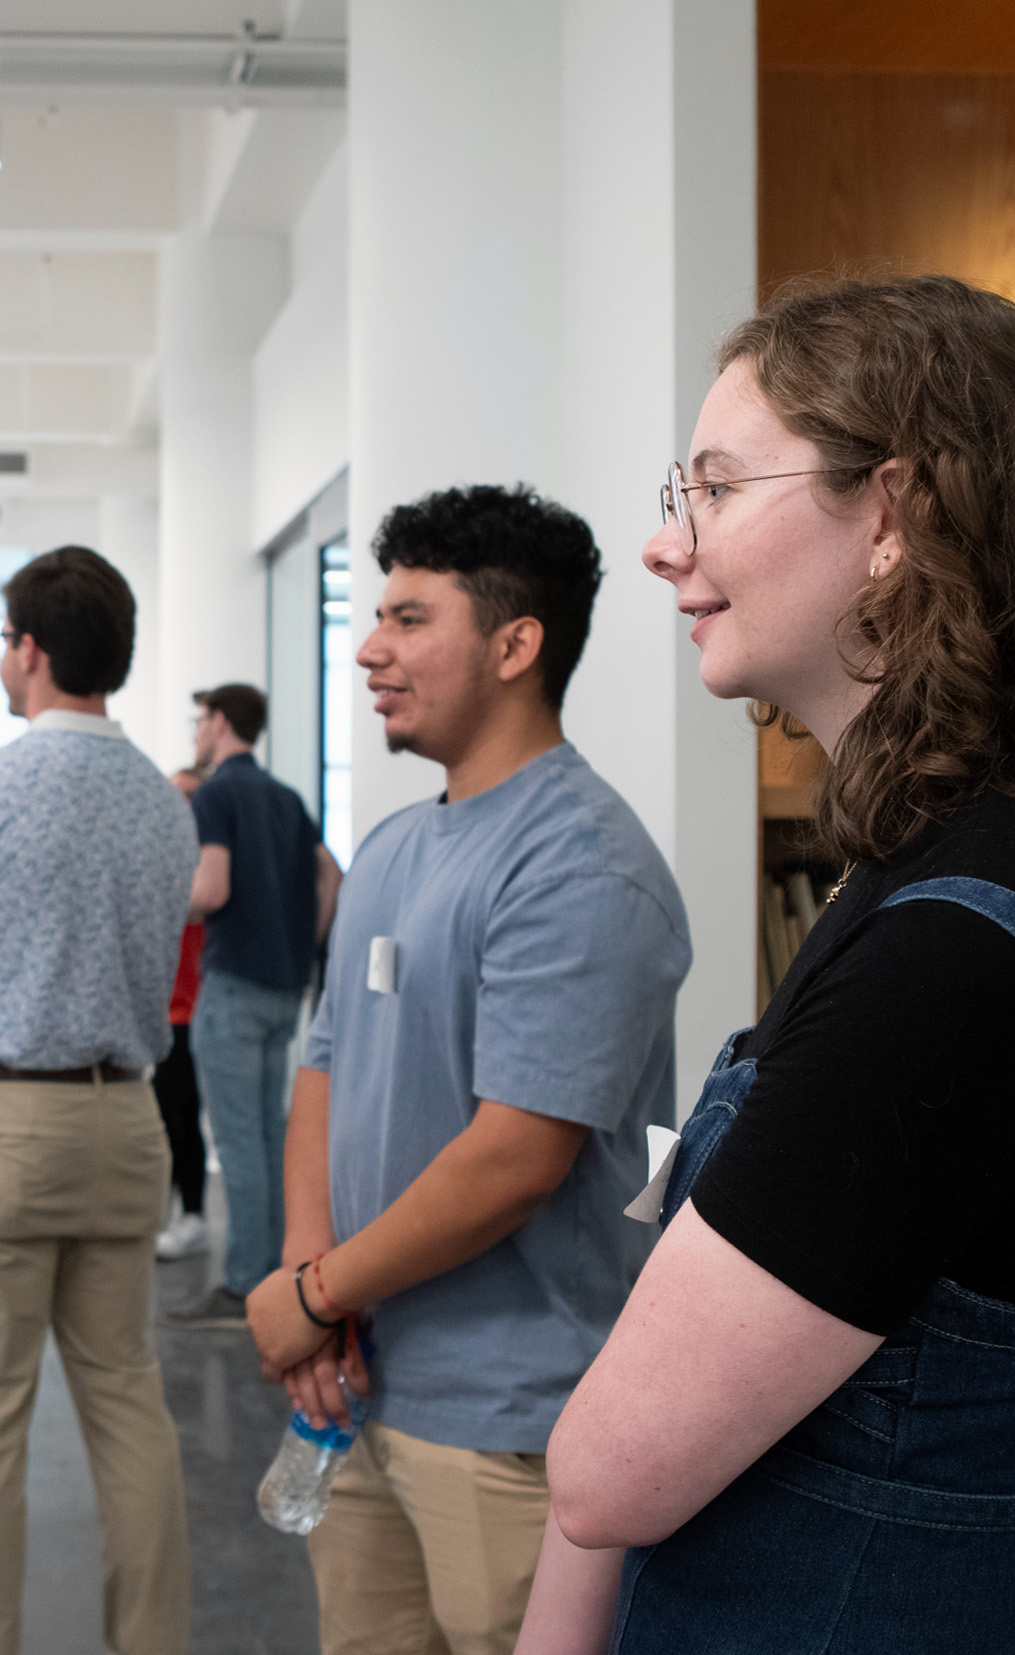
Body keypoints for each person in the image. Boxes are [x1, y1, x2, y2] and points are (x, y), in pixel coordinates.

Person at [523, 276, 1015, 1655]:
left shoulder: (955, 951)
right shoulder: (993, 859)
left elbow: (608, 1467)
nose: (661, 544)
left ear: (890, 514)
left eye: (711, 486)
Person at [246, 485, 691, 1655]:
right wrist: (310, 1285)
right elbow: (324, 1070)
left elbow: (512, 1159)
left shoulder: (581, 864)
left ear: (513, 643)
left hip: (508, 1418)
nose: (368, 649)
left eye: (405, 618)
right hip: (355, 1388)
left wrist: (312, 1295)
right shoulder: (393, 846)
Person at [0, 545, 197, 1655]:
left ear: (27, 652)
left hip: (2, 1116)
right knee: (127, 1395)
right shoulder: (166, 805)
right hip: (126, 1114)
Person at [169, 684, 341, 1325]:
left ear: (218, 723)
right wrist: (305, 945)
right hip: (281, 989)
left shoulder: (216, 793)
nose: (195, 731)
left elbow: (210, 889)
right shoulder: (285, 798)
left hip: (234, 985)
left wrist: (159, 905)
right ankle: (274, 1273)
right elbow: (333, 877)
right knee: (270, 1136)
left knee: (240, 1142)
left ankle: (244, 1286)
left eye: (199, 719)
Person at [153, 766, 212, 1262]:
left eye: (187, 796)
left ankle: (191, 1216)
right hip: (163, 1012)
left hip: (192, 1010)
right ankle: (178, 1214)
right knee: (168, 1119)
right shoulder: (166, 856)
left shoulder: (205, 866)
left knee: (182, 1119)